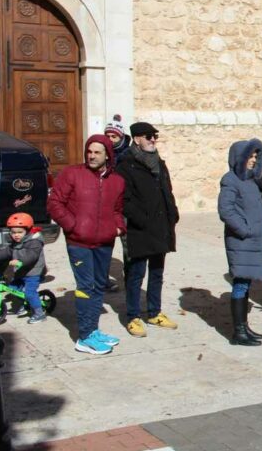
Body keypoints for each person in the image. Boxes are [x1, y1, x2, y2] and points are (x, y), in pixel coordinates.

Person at [48, 134, 126, 355]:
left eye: (97, 152)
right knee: (85, 287)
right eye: (89, 151)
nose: (92, 156)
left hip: (104, 242)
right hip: (79, 243)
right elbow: (55, 203)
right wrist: (73, 226)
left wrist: (118, 227)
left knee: (99, 285)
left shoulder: (117, 181)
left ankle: (93, 330)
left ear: (107, 155)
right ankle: (84, 337)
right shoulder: (71, 174)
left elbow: (117, 210)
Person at [116, 122, 180, 338]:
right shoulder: (126, 164)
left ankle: (154, 312)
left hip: (161, 226)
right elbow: (124, 200)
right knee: (135, 275)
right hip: (139, 229)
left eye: (154, 136)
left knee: (157, 273)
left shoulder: (159, 163)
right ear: (136, 139)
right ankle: (133, 316)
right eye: (148, 136)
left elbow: (167, 190)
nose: (153, 139)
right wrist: (141, 219)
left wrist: (173, 213)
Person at [218, 138, 262, 346]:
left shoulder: (249, 180)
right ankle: (238, 332)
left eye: (256, 156)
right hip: (242, 241)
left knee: (245, 282)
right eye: (250, 156)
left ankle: (244, 326)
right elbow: (226, 210)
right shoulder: (230, 180)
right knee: (240, 283)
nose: (253, 160)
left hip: (252, 241)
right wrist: (245, 230)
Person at [0, 213, 48, 324]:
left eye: (20, 232)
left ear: (28, 231)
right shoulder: (15, 243)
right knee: (13, 288)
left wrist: (19, 261)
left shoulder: (35, 242)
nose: (16, 235)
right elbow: (7, 251)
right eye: (13, 232)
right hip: (21, 271)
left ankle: (39, 314)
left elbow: (31, 256)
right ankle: (25, 305)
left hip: (33, 272)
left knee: (29, 293)